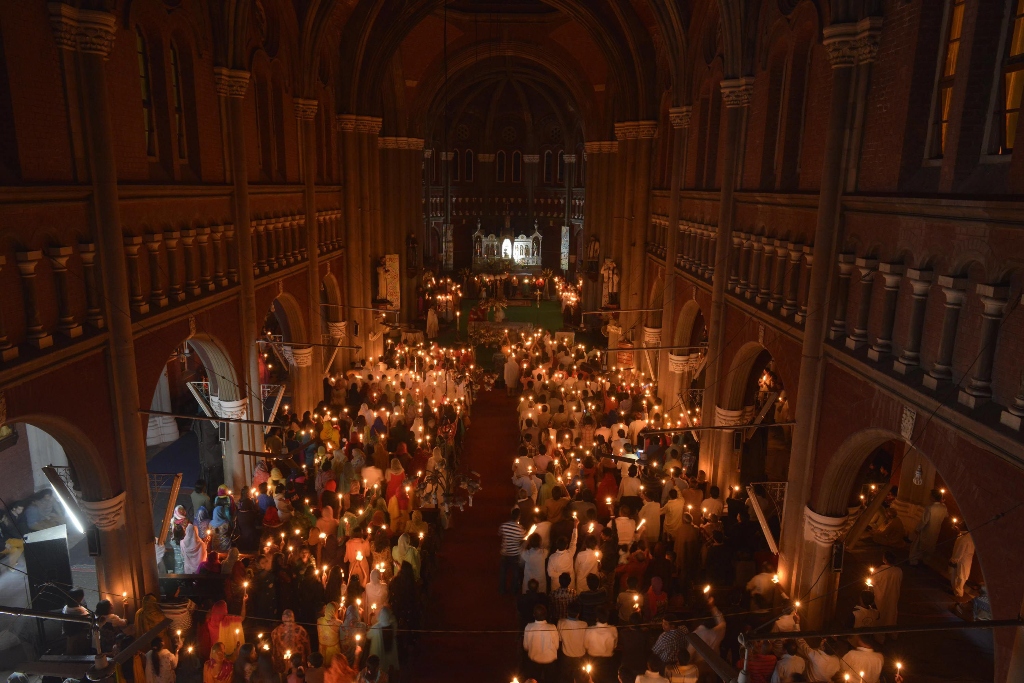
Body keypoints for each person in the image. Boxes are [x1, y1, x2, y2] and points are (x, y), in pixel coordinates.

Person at [909, 489, 947, 566]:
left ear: (933, 497)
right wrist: (943, 504)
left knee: (917, 546)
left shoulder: (929, 508)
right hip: (935, 531)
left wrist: (917, 529)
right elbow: (946, 515)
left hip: (926, 530)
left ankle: (914, 561)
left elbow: (924, 521)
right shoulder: (944, 508)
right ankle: (926, 562)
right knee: (929, 547)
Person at [523, 604, 559, 682]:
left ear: (533, 615)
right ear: (546, 615)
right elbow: (556, 646)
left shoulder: (529, 627)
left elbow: (526, 647)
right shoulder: (552, 627)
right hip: (550, 660)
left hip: (534, 660)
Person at [583, 607, 617, 683]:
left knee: (592, 680)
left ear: (597, 618)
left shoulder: (590, 630)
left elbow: (586, 645)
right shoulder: (613, 629)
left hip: (593, 660)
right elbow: (615, 646)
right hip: (607, 660)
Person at [557, 602, 588, 679]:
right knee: (580, 677)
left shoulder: (561, 623)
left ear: (567, 612)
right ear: (578, 614)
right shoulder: (584, 624)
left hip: (566, 656)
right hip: (580, 656)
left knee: (566, 677)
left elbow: (559, 639)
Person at [366, 607, 399, 679]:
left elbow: (368, 636)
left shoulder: (376, 627)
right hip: (390, 655)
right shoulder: (393, 625)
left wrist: (369, 621)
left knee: (380, 674)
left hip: (379, 657)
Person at [499, 509, 526, 594]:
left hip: (504, 552)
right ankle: (513, 590)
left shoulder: (504, 525)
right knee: (515, 573)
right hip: (515, 554)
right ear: (519, 517)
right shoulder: (520, 529)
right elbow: (523, 538)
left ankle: (502, 590)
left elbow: (499, 533)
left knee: (503, 573)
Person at [950, 522, 975, 598]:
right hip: (966, 560)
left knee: (958, 577)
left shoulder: (964, 539)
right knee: (962, 576)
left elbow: (959, 551)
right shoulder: (970, 536)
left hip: (960, 561)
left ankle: (958, 593)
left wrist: (953, 561)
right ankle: (958, 592)